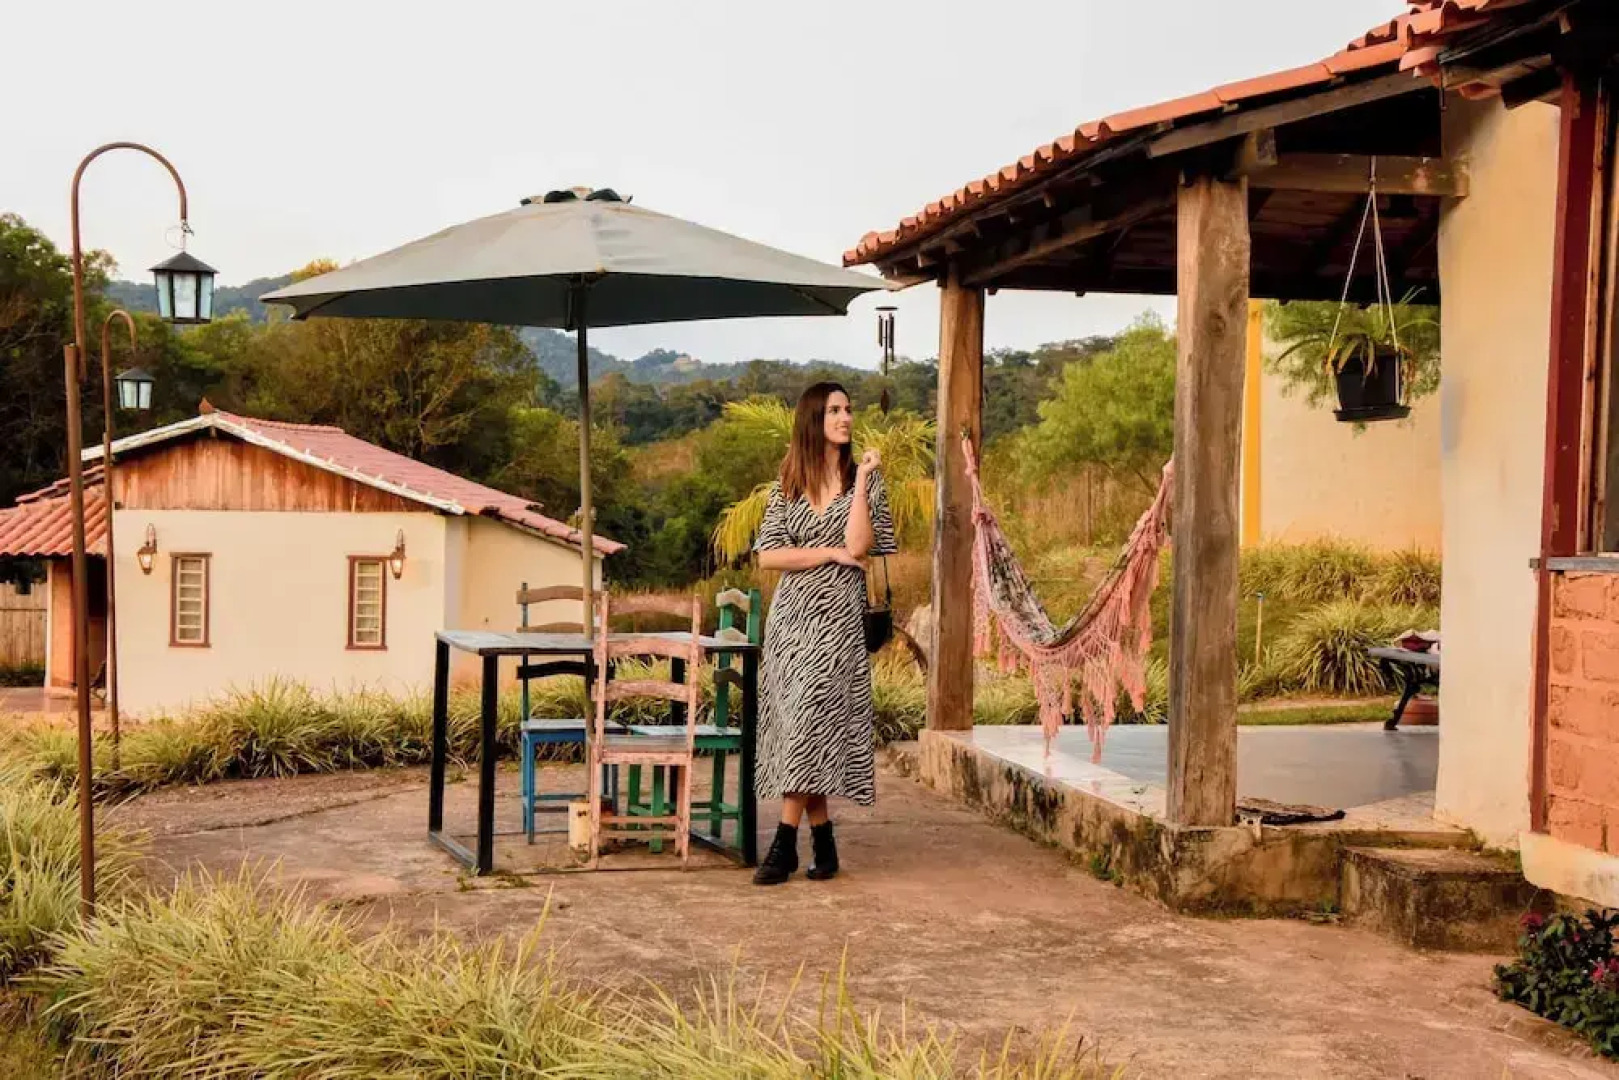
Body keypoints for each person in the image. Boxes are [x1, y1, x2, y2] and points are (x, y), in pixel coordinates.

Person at [750, 381, 897, 886]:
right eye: (834, 410)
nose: (846, 418)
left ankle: (783, 846)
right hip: (790, 620)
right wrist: (825, 553)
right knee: (801, 729)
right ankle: (825, 842)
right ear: (814, 419)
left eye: (848, 410)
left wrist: (861, 485)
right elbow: (768, 554)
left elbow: (858, 547)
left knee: (811, 713)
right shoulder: (788, 482)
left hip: (837, 618)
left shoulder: (866, 481)